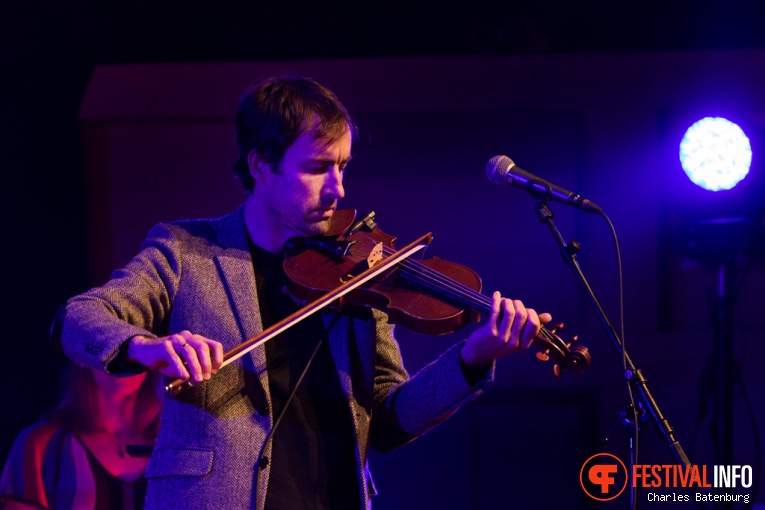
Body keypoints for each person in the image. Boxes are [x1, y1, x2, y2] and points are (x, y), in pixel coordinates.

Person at [56, 75, 550, 509]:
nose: (337, 189)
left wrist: (473, 357)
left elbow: (391, 420)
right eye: (317, 168)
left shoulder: (356, 275)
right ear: (260, 165)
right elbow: (80, 317)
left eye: (343, 166)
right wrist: (149, 347)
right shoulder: (187, 251)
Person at [0, 365, 162, 509]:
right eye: (112, 344)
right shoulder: (40, 444)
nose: (122, 360)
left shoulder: (172, 446)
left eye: (132, 345)